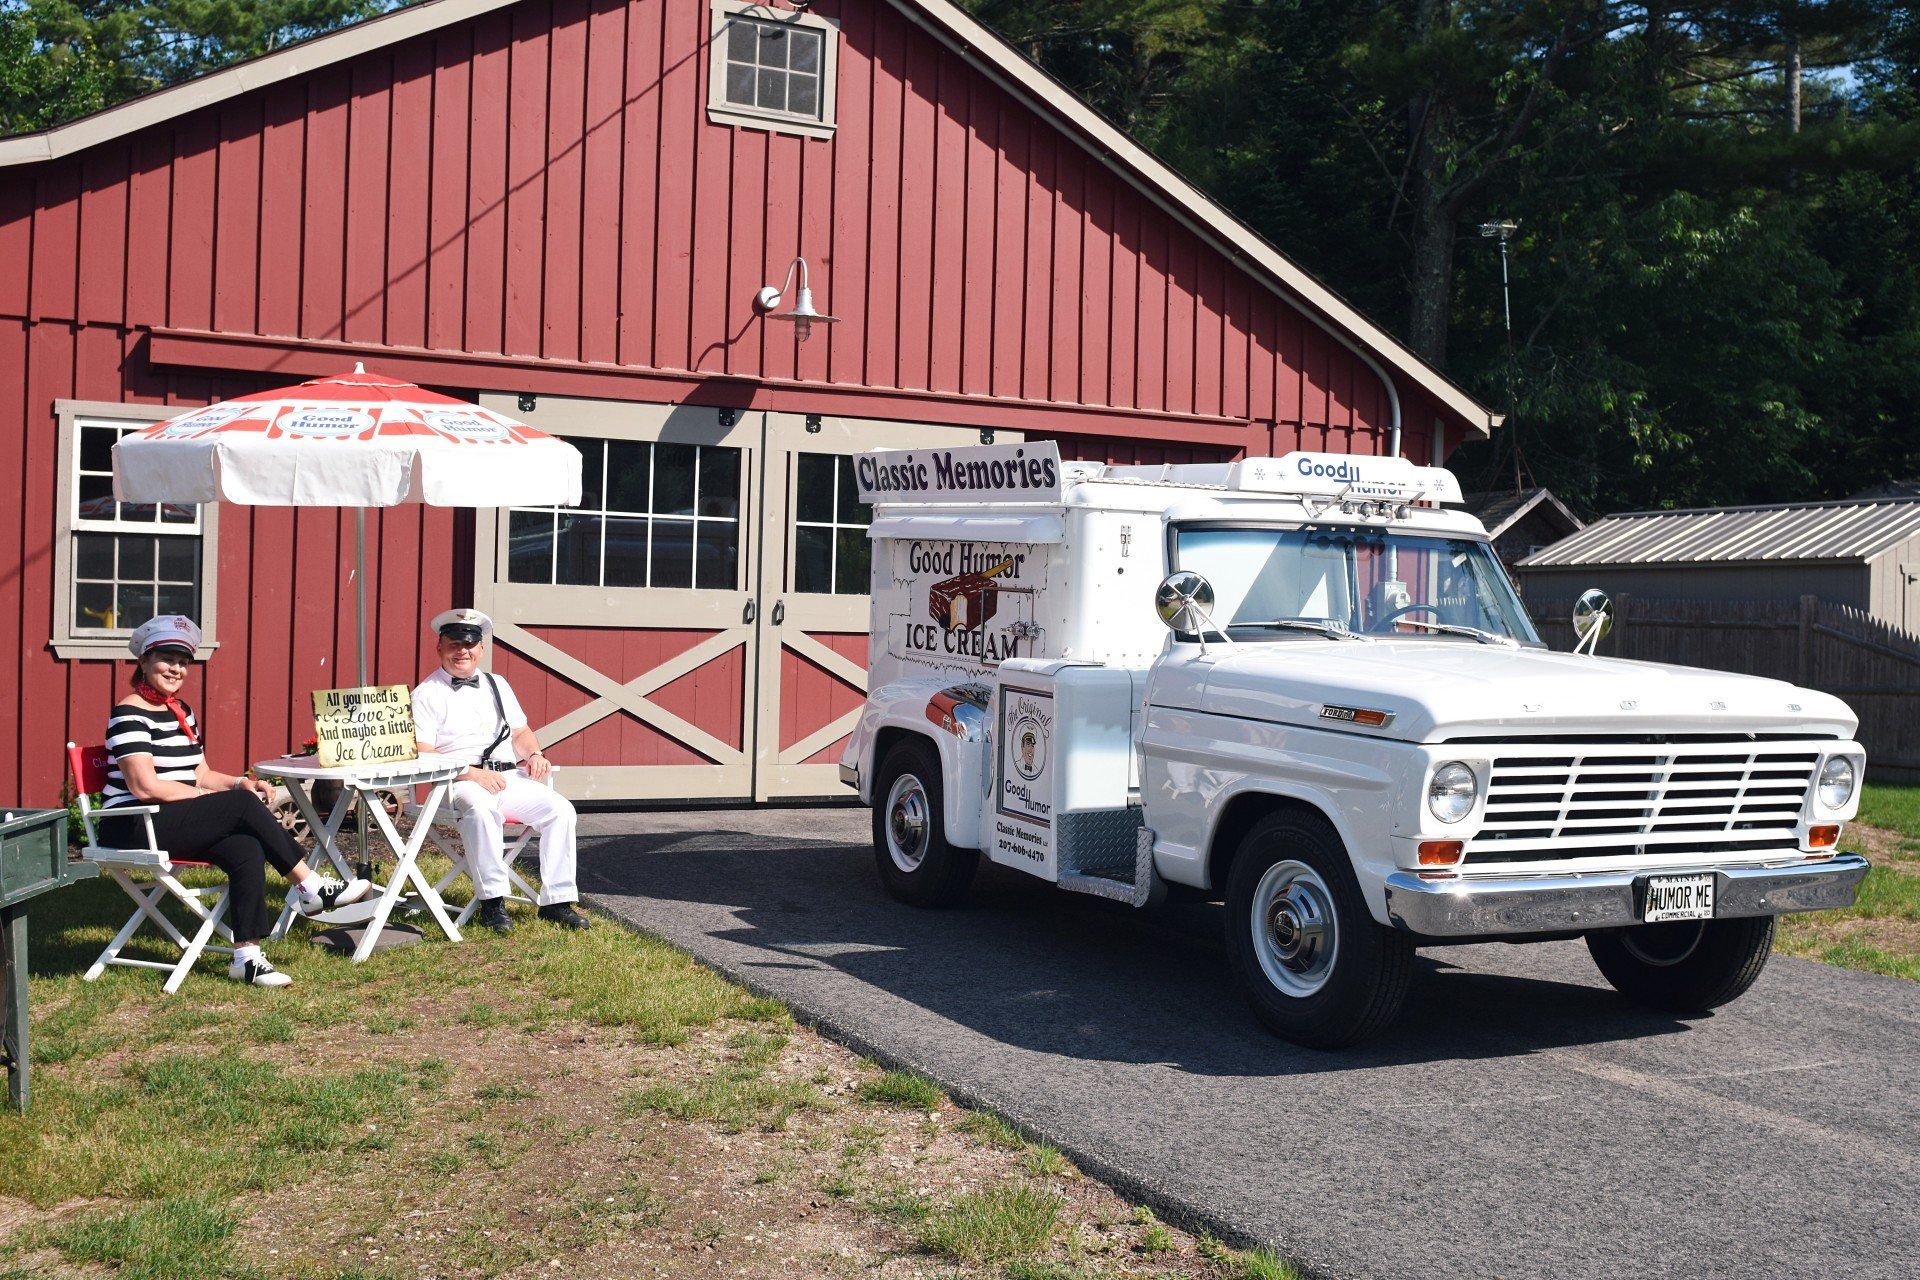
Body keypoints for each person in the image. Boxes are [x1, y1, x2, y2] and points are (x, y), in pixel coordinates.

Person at [101, 615, 372, 987]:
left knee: (246, 847)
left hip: (170, 818)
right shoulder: (128, 714)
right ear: (144, 661)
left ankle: (247, 958)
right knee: (240, 806)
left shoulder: (181, 712)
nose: (176, 669)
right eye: (167, 659)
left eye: (183, 662)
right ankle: (310, 887)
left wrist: (237, 782)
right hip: (132, 823)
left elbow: (201, 773)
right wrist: (215, 798)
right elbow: (145, 787)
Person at [411, 609, 589, 933]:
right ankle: (492, 903)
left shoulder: (497, 684)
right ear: (439, 647)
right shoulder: (426, 694)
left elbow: (520, 732)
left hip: (508, 777)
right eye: (454, 644)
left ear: (480, 649)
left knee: (560, 810)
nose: (462, 651)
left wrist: (534, 754)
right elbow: (423, 752)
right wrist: (471, 773)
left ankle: (557, 902)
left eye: (469, 644)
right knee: (481, 810)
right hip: (457, 781)